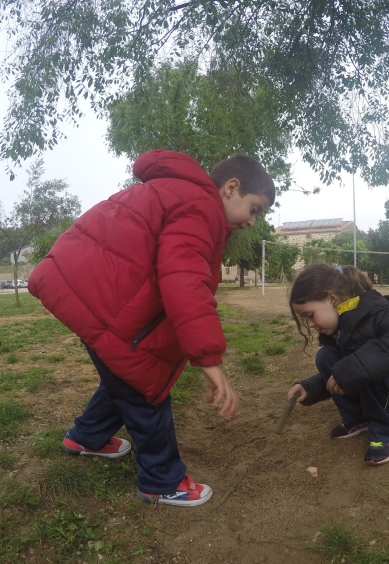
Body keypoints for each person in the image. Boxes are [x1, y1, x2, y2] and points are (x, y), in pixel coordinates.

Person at [28, 149, 275, 506]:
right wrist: (208, 358)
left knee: (123, 375)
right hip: (102, 303)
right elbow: (184, 281)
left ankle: (86, 437)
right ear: (231, 188)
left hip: (88, 293)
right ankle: (161, 480)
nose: (252, 222)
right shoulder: (200, 209)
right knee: (145, 391)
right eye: (254, 209)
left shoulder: (178, 193)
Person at [286, 264, 389, 465]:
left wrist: (352, 368)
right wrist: (310, 387)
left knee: (367, 360)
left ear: (332, 299)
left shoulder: (377, 311)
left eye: (310, 315)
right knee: (325, 356)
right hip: (382, 394)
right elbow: (343, 373)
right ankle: (358, 419)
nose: (310, 324)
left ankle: (384, 433)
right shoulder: (341, 327)